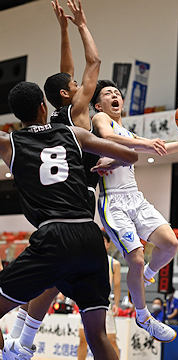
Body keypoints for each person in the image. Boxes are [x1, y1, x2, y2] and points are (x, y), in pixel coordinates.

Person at [0, 81, 138, 360]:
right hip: (90, 235)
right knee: (98, 336)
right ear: (43, 107)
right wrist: (104, 163)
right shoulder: (73, 133)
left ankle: (12, 350)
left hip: (53, 236)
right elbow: (130, 155)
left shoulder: (8, 143)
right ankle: (18, 346)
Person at [2, 0, 106, 356]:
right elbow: (91, 63)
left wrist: (62, 30)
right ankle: (141, 309)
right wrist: (80, 26)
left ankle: (22, 336)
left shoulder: (59, 114)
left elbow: (68, 70)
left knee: (53, 273)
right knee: (69, 267)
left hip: (57, 207)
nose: (80, 83)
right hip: (81, 198)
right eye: (75, 84)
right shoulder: (76, 116)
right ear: (66, 94)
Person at [90, 79, 178, 342]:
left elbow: (162, 149)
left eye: (117, 93)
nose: (115, 95)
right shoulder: (101, 119)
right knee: (135, 256)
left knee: (170, 245)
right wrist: (145, 146)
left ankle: (146, 276)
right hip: (113, 201)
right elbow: (109, 137)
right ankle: (143, 316)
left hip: (136, 197)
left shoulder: (130, 133)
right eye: (108, 93)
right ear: (99, 104)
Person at [78, 230, 121, 359]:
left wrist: (117, 304)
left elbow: (117, 286)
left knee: (111, 340)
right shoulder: (85, 261)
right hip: (87, 302)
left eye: (103, 241)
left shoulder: (114, 263)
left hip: (105, 305)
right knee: (82, 340)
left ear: (108, 244)